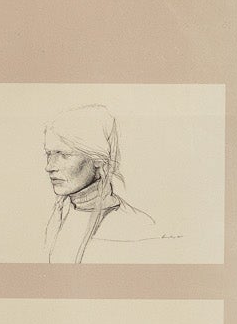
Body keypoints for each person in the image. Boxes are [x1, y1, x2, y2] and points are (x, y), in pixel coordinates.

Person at [42, 106, 157, 263]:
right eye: (49, 154)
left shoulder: (138, 227)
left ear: (98, 160)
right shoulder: (57, 217)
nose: (49, 167)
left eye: (64, 155)